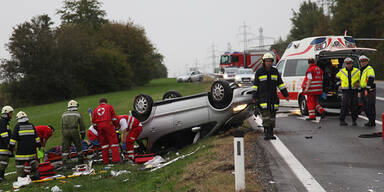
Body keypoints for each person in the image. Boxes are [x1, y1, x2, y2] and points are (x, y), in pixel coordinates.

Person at [253, 53, 289, 140]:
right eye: (267, 61)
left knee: (272, 116)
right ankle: (266, 132)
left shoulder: (275, 71)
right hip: (263, 98)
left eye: (270, 61)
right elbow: (255, 86)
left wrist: (286, 94)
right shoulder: (259, 72)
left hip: (273, 98)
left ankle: (271, 132)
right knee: (266, 116)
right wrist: (255, 97)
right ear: (263, 62)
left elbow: (280, 84)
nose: (268, 63)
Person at [9, 111, 41, 180]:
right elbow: (37, 138)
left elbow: (13, 140)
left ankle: (21, 176)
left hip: (21, 152)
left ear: (18, 119)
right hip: (32, 151)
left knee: (19, 163)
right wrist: (39, 146)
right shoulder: (31, 125)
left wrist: (11, 148)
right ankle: (36, 172)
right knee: (32, 161)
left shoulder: (17, 126)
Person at [92, 98, 121, 164]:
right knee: (114, 143)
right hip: (108, 125)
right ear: (106, 102)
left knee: (104, 145)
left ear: (100, 103)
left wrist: (98, 129)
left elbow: (94, 123)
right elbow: (114, 118)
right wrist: (116, 126)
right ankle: (116, 160)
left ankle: (105, 161)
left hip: (99, 127)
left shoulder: (96, 110)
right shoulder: (109, 107)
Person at [336, 57, 361, 126]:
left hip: (354, 90)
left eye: (350, 63)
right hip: (345, 91)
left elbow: (361, 79)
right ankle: (342, 120)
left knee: (354, 106)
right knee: (344, 105)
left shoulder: (357, 71)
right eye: (347, 63)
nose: (348, 65)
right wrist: (339, 85)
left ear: (352, 63)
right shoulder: (342, 71)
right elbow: (337, 77)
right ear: (345, 64)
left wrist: (359, 85)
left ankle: (354, 120)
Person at [61, 100, 86, 165]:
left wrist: (63, 134)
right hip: (74, 131)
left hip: (65, 131)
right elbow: (82, 126)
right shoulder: (78, 114)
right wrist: (83, 135)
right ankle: (80, 160)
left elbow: (62, 125)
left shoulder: (64, 114)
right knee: (78, 145)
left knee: (65, 147)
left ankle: (64, 161)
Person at [359, 55, 376, 126]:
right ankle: (370, 120)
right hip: (363, 89)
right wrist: (360, 90)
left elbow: (371, 78)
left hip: (369, 90)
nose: (362, 63)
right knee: (365, 106)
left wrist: (367, 89)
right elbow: (361, 81)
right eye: (361, 61)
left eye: (364, 61)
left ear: (367, 61)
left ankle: (372, 121)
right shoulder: (362, 69)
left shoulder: (369, 69)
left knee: (370, 106)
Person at [0, 106, 13, 182]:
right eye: (11, 113)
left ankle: (1, 177)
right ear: (6, 113)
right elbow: (4, 134)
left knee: (5, 161)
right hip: (2, 146)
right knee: (3, 161)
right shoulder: (2, 122)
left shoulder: (5, 122)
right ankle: (0, 177)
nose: (12, 115)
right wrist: (8, 143)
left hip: (3, 145)